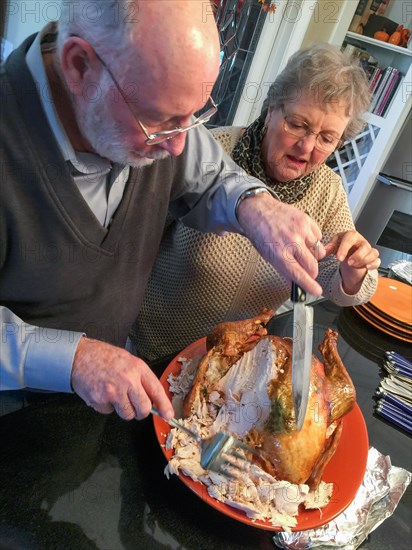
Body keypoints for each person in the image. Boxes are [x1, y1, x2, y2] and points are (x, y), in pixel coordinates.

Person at [0, 1, 335, 420]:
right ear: (79, 66)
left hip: (98, 407)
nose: (176, 146)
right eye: (159, 120)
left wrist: (257, 206)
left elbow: (211, 178)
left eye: (193, 115)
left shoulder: (154, 106)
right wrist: (72, 359)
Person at [131, 43, 380, 362]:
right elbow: (134, 241)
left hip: (235, 362)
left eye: (326, 138)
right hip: (154, 350)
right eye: (298, 124)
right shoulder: (211, 154)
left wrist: (355, 267)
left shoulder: (328, 190)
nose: (306, 146)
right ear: (271, 109)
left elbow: (343, 287)